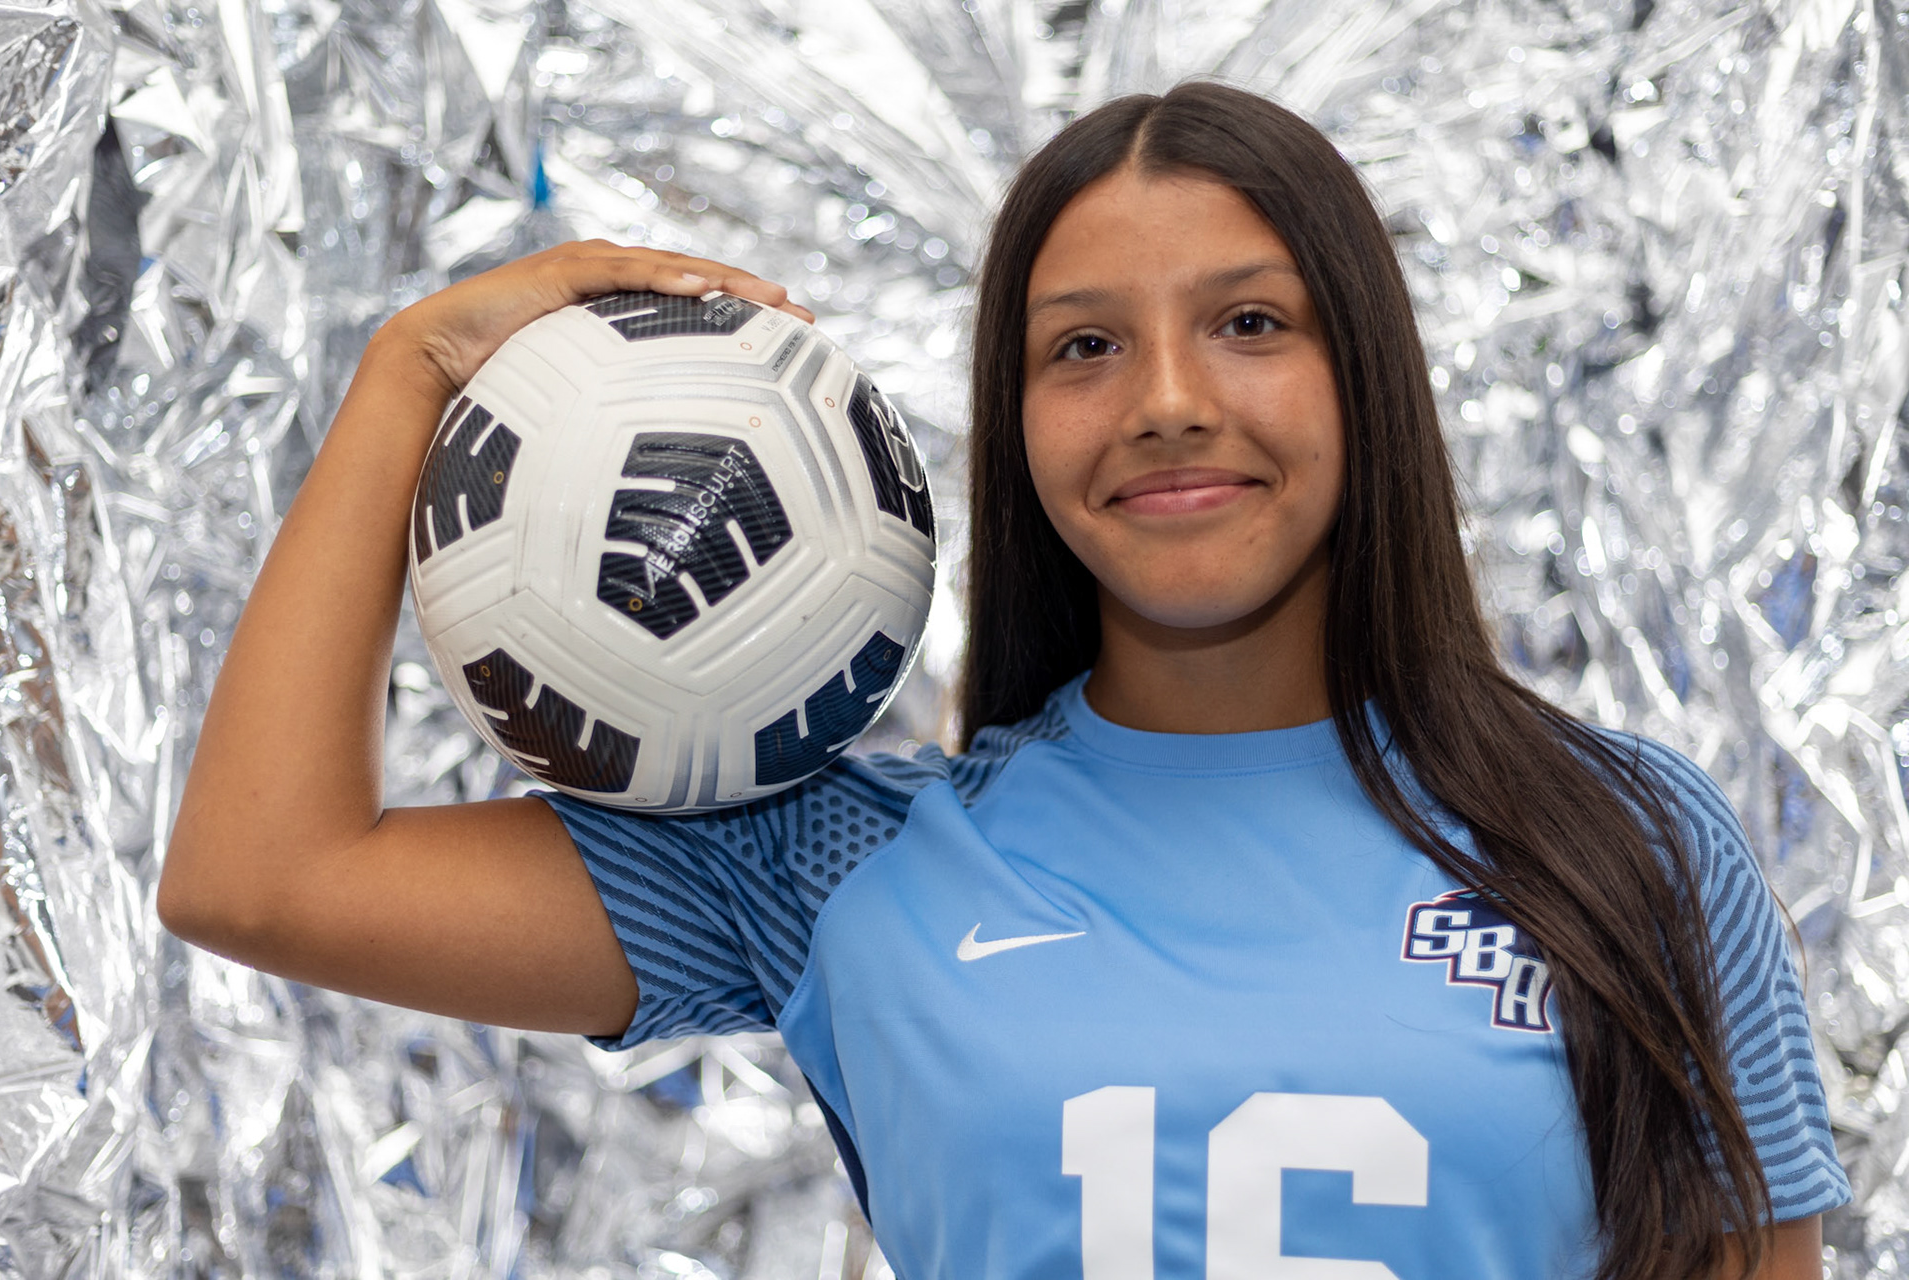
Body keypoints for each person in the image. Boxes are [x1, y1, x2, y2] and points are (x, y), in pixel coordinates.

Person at [160, 81, 1848, 1278]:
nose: (1169, 399)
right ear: (1014, 423)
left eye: (1252, 323)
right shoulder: (835, 868)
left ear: (1370, 373)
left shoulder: (1627, 843)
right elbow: (263, 874)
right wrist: (410, 378)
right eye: (1085, 346)